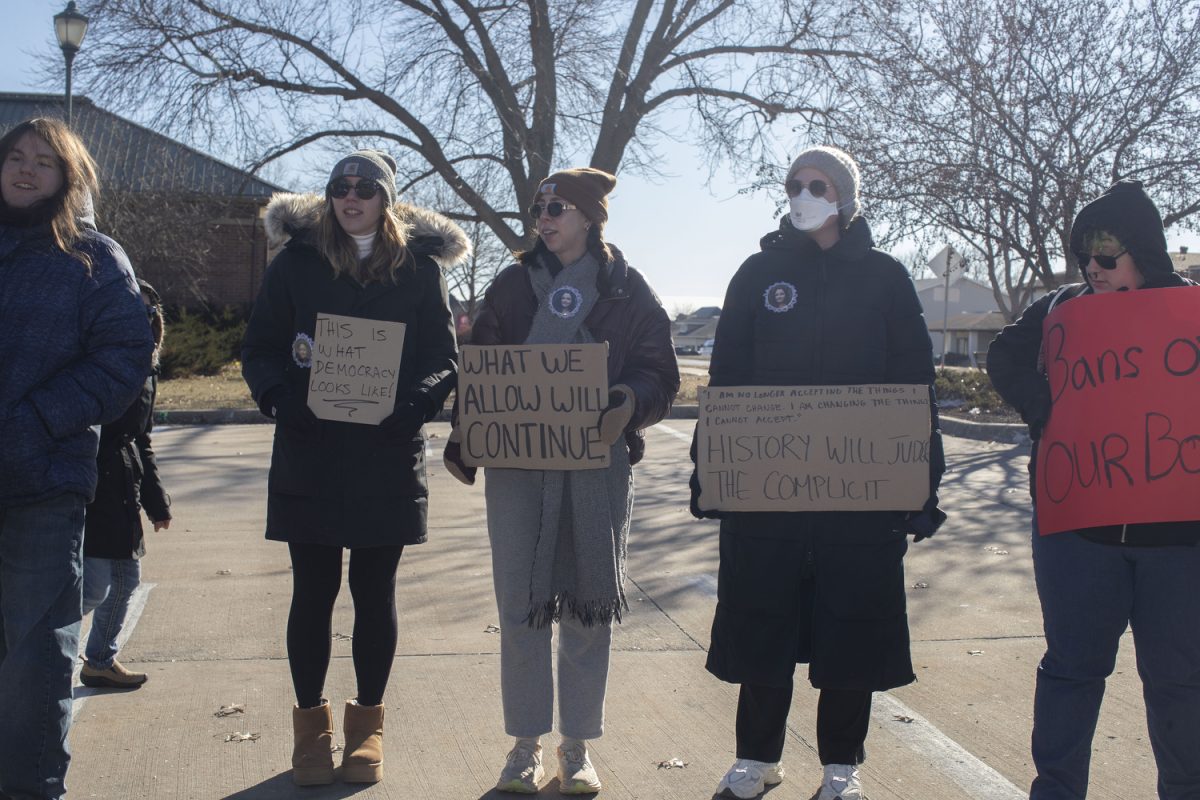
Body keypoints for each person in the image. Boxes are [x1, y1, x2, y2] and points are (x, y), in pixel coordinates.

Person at [689, 146, 945, 800]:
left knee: (851, 624)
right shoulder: (758, 273)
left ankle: (841, 767)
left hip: (861, 494)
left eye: (818, 184)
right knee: (762, 620)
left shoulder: (885, 278)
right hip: (768, 493)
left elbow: (914, 383)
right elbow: (728, 377)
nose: (803, 193)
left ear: (845, 197)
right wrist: (710, 468)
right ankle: (756, 759)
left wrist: (922, 481)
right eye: (795, 184)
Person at [442, 168, 679, 794]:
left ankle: (575, 748)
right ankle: (524, 747)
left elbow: (660, 368)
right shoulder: (513, 284)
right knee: (520, 608)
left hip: (597, 468)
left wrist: (630, 400)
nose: (543, 217)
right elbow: (483, 373)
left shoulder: (628, 289)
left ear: (590, 216)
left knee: (586, 608)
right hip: (520, 470)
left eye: (557, 207)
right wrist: (468, 433)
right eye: (538, 207)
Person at [242, 150, 467, 786]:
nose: (350, 195)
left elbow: (441, 355)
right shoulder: (296, 263)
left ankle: (367, 729)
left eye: (365, 187)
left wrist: (421, 400)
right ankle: (310, 732)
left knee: (375, 594)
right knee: (311, 594)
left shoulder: (418, 270)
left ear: (385, 198)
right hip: (309, 452)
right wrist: (281, 399)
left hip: (385, 456)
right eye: (340, 186)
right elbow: (259, 348)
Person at [987, 180, 1200, 799]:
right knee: (1071, 673)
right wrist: (1046, 411)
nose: (1094, 268)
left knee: (1180, 681)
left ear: (1146, 251)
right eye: (1085, 255)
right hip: (1080, 534)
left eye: (1108, 254)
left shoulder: (1192, 311)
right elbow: (1004, 356)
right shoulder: (1059, 308)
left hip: (1179, 542)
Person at [0, 117, 154, 800]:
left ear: (67, 179)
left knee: (33, 659)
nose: (26, 169)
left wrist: (35, 420)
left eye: (43, 161)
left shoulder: (92, 257)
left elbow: (125, 358)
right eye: (15, 157)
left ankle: (33, 788)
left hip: (41, 483)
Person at [79, 278, 172, 690]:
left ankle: (99, 660)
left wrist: (157, 502)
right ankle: (37, 654)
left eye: (150, 312)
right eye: (136, 311)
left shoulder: (147, 369)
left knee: (119, 580)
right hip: (92, 480)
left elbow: (141, 437)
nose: (145, 319)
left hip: (123, 484)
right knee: (94, 587)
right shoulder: (101, 358)